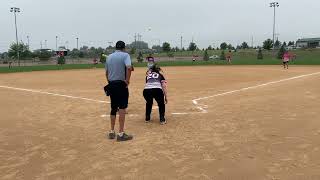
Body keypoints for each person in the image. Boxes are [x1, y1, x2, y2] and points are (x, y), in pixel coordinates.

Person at [105, 41, 133, 141]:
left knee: (113, 107)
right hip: (121, 84)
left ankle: (112, 132)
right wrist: (127, 80)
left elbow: (107, 73)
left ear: (116, 47)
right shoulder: (125, 55)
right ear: (124, 48)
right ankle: (121, 134)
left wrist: (110, 82)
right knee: (122, 108)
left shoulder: (109, 57)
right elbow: (129, 68)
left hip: (111, 84)